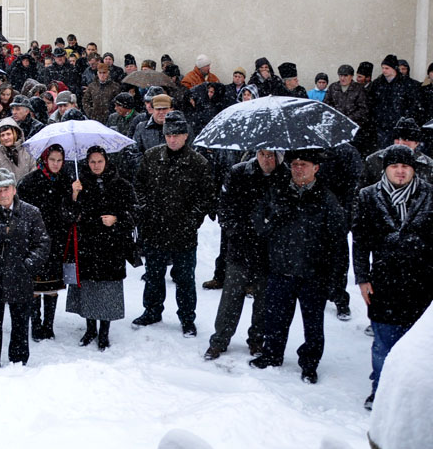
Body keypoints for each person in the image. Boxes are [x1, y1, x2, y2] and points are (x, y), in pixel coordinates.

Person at [250, 149, 347, 383]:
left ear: (316, 168)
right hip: (281, 269)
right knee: (275, 319)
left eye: (304, 164)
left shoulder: (327, 198)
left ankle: (310, 364)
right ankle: (272, 354)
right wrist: (275, 216)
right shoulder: (278, 192)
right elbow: (259, 225)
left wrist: (337, 279)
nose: (298, 168)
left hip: (314, 273)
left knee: (313, 325)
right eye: (294, 164)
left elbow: (338, 242)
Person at [352, 144, 433, 409]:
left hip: (422, 283)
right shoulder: (368, 196)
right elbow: (360, 241)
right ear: (385, 169)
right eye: (394, 166)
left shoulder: (430, 194)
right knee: (383, 343)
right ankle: (381, 391)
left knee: (418, 345)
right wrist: (362, 278)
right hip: (383, 282)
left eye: (405, 166)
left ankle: (413, 399)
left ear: (413, 169)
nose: (400, 171)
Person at [132, 111, 212, 336]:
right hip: (155, 228)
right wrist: (145, 210)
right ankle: (152, 310)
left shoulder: (198, 163)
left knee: (185, 279)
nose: (172, 139)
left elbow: (206, 196)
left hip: (183, 231)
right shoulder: (152, 157)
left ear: (185, 136)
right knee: (154, 274)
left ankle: (187, 317)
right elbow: (139, 186)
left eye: (176, 135)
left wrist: (192, 220)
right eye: (168, 135)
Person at [203, 150, 284, 361]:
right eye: (263, 154)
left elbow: (287, 212)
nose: (266, 159)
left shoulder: (285, 177)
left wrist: (271, 227)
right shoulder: (239, 173)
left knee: (264, 300)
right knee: (231, 297)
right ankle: (219, 340)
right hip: (241, 246)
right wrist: (236, 230)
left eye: (271, 155)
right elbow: (225, 207)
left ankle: (257, 340)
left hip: (270, 250)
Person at [0, 168, 51, 372]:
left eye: (6, 189)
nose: (3, 194)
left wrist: (28, 265)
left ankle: (19, 360)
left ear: (14, 189)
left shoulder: (31, 212)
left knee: (21, 321)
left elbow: (42, 243)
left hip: (21, 276)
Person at [65, 147, 137, 350]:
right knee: (88, 287)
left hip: (112, 246)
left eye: (99, 161)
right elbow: (69, 214)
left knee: (107, 289)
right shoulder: (79, 184)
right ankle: (90, 329)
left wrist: (117, 218)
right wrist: (74, 195)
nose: (96, 166)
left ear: (106, 161)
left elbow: (135, 212)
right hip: (87, 245)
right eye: (92, 162)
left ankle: (104, 331)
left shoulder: (121, 185)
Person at [17, 145, 71, 341]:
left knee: (52, 285)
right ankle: (36, 323)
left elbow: (71, 212)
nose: (56, 164)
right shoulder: (30, 181)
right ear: (45, 160)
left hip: (58, 239)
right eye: (52, 160)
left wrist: (74, 195)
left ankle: (49, 324)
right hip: (35, 239)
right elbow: (21, 211)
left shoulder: (67, 181)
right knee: (35, 285)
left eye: (59, 160)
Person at [0, 117, 35, 181]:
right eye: (2, 135)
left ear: (15, 134)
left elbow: (33, 173)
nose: (5, 138)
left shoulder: (27, 150)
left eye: (8, 134)